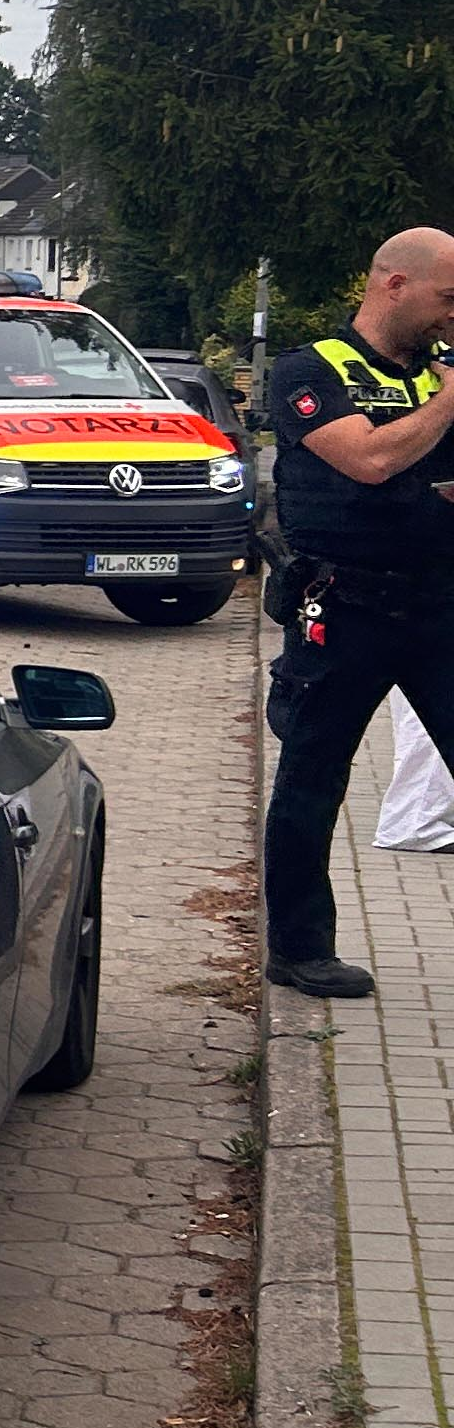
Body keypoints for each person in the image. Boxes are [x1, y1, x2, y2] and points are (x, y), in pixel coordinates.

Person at [258, 226, 454, 999]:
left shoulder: (434, 374)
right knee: (311, 780)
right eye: (447, 297)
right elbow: (368, 460)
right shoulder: (311, 369)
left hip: (440, 603)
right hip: (343, 605)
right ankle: (300, 950)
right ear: (394, 285)